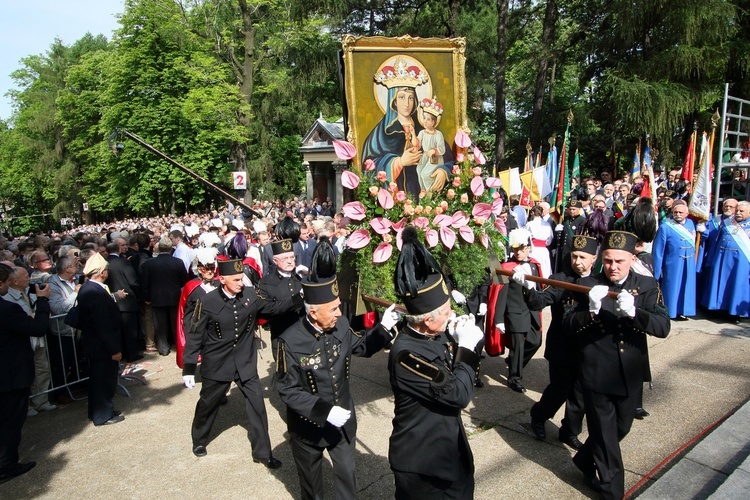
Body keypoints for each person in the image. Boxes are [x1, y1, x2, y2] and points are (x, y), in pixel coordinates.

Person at [275, 240, 399, 499]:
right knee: (312, 488)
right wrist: (323, 411)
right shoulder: (290, 341)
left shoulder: (341, 325)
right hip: (307, 427)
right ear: (312, 313)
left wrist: (384, 329)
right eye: (332, 309)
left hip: (342, 421)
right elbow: (287, 389)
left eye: (338, 307)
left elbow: (361, 346)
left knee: (346, 479)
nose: (339, 313)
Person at [564, 231, 670, 499]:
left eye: (619, 262)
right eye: (608, 261)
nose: (612, 267)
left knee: (621, 427)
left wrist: (636, 314)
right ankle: (613, 491)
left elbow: (663, 327)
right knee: (606, 437)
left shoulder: (646, 284)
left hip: (630, 371)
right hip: (596, 371)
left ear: (632, 259)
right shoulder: (588, 283)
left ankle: (584, 460)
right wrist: (590, 308)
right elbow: (566, 325)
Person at [388, 226, 484, 498]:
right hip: (424, 466)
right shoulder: (406, 355)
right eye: (445, 312)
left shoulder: (434, 333)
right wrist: (465, 347)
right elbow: (459, 393)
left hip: (448, 454)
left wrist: (457, 338)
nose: (451, 314)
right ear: (428, 320)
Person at [182, 258, 302, 463]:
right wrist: (189, 368)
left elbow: (273, 309)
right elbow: (194, 336)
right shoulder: (207, 302)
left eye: (242, 279)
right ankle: (199, 439)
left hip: (245, 362)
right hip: (218, 364)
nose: (241, 283)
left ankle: (263, 453)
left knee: (257, 407)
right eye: (236, 279)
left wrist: (298, 298)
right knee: (208, 403)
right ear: (223, 280)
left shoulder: (250, 295)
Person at [526, 235, 599, 450]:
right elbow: (540, 300)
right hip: (562, 346)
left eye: (583, 257)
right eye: (574, 256)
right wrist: (529, 289)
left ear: (593, 259)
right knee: (559, 389)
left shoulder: (599, 283)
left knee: (580, 395)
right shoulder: (560, 278)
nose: (577, 261)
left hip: (587, 347)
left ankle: (569, 431)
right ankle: (539, 417)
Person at [362, 55, 453, 197]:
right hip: (397, 199)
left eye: (411, 97)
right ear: (394, 101)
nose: (407, 103)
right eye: (402, 97)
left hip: (425, 198)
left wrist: (443, 171)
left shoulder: (425, 130)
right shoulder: (382, 132)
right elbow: (368, 166)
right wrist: (398, 162)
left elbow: (449, 159)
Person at [0, 263, 50, 482]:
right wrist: (42, 301)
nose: (8, 285)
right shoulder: (6, 309)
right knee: (10, 422)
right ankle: (6, 465)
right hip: (10, 376)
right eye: (5, 282)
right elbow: (38, 328)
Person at [77, 253, 125, 426]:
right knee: (103, 380)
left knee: (100, 379)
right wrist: (114, 349)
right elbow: (102, 324)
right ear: (101, 272)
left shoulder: (89, 289)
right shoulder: (94, 292)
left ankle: (101, 410)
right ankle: (102, 414)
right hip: (102, 346)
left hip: (98, 344)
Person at [494, 228, 544, 393]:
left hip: (531, 311)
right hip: (514, 312)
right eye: (515, 249)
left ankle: (515, 362)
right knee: (518, 347)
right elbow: (500, 293)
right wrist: (499, 318)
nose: (519, 252)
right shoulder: (505, 266)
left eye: (522, 249)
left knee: (535, 341)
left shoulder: (535, 265)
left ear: (528, 247)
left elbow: (539, 287)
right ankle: (514, 378)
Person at [4, 266, 57, 416]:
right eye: (26, 277)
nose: (29, 279)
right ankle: (26, 405)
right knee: (24, 374)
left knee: (41, 369)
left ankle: (41, 401)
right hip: (22, 341)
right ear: (14, 281)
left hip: (37, 339)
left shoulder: (30, 291)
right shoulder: (7, 298)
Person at [700, 200, 750, 322]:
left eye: (741, 211)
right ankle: (717, 309)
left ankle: (734, 313)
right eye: (737, 210)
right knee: (720, 284)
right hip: (722, 259)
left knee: (737, 285)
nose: (738, 213)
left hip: (741, 262)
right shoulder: (727, 223)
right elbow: (716, 241)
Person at [257, 238, 304, 358]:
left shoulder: (300, 277)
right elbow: (269, 309)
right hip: (282, 335)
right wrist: (299, 297)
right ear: (275, 261)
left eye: (292, 257)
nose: (290, 261)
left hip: (303, 335)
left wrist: (312, 277)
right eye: (285, 258)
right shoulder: (266, 283)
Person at [141, 237, 188, 356]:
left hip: (157, 297)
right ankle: (178, 345)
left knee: (160, 325)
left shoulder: (149, 263)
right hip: (174, 296)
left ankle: (163, 348)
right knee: (175, 323)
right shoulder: (177, 262)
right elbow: (184, 280)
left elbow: (145, 282)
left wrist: (146, 297)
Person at [652, 201, 697, 320]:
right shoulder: (665, 226)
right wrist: (657, 270)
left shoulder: (691, 224)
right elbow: (658, 250)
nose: (678, 214)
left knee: (686, 287)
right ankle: (671, 311)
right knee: (672, 287)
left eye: (680, 212)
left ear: (687, 213)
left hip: (689, 262)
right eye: (675, 212)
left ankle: (684, 310)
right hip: (672, 263)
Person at [105, 240, 142, 362]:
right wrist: (138, 294)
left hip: (111, 301)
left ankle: (123, 353)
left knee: (119, 330)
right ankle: (132, 354)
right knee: (131, 330)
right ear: (118, 249)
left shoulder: (105, 263)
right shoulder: (123, 262)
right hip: (126, 300)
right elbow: (132, 281)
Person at [415, 97, 446, 194]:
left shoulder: (438, 134)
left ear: (433, 122)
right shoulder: (422, 133)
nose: (425, 121)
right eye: (424, 118)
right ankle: (423, 189)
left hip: (435, 159)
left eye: (428, 119)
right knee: (419, 170)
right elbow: (417, 143)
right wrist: (412, 134)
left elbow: (442, 149)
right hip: (425, 157)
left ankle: (430, 192)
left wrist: (434, 151)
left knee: (425, 174)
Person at [524, 205, 554, 278]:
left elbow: (525, 237)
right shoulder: (547, 224)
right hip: (543, 250)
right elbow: (550, 239)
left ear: (533, 213)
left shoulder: (529, 224)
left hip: (534, 250)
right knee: (544, 267)